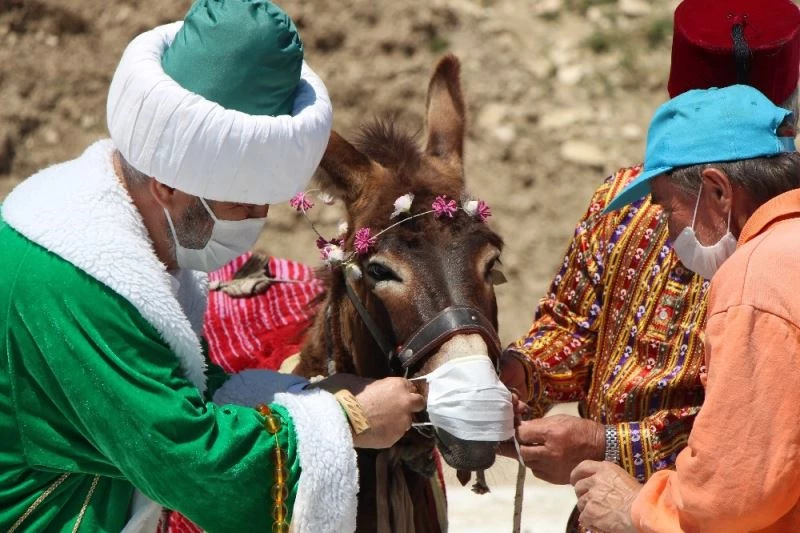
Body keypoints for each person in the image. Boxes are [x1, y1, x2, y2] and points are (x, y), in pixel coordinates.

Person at [0, 1, 424, 532]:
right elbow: (187, 459)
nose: (258, 219)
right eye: (242, 203)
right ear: (168, 185)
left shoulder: (130, 242)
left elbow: (175, 385)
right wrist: (346, 421)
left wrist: (305, 396)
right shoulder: (74, 282)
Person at [499, 0, 800, 504]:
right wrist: (518, 376)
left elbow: (745, 446)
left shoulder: (770, 257)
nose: (664, 222)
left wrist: (607, 446)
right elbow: (571, 325)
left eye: (666, 209)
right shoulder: (626, 202)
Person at [571, 83, 800, 533]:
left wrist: (636, 508)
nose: (668, 233)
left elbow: (731, 497)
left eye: (666, 208)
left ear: (717, 192)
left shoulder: (756, 277)